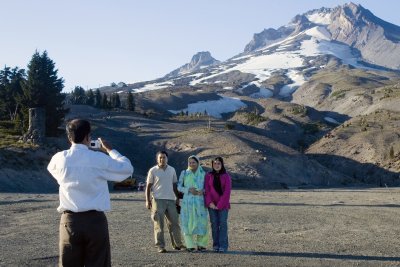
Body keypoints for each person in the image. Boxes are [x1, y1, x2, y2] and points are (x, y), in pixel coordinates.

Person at [47, 119, 133, 267]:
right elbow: (127, 169)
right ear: (88, 137)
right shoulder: (99, 159)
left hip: (70, 220)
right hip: (95, 221)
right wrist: (110, 150)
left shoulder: (59, 158)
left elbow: (51, 169)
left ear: (69, 137)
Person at [145, 151, 184, 253]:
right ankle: (160, 246)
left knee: (175, 223)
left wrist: (177, 199)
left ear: (167, 158)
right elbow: (148, 187)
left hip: (171, 200)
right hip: (158, 200)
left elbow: (175, 185)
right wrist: (147, 200)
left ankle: (178, 244)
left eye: (164, 157)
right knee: (159, 224)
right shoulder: (153, 170)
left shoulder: (172, 170)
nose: (162, 159)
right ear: (157, 159)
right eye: (160, 158)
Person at [177, 155, 209, 252]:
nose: (191, 164)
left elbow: (208, 187)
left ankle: (201, 244)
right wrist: (188, 189)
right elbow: (178, 186)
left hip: (200, 202)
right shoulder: (184, 173)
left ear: (198, 163)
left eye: (193, 162)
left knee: (202, 222)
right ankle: (190, 245)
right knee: (187, 222)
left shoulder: (204, 174)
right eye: (190, 162)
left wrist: (203, 191)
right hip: (188, 202)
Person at [204, 156, 232, 253]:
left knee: (223, 224)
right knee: (214, 224)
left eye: (218, 163)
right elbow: (206, 190)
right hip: (211, 205)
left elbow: (227, 192)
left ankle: (223, 245)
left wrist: (219, 205)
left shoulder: (226, 176)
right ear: (212, 164)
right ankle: (216, 245)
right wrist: (210, 203)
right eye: (215, 163)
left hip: (223, 205)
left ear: (222, 164)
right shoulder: (208, 175)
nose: (216, 165)